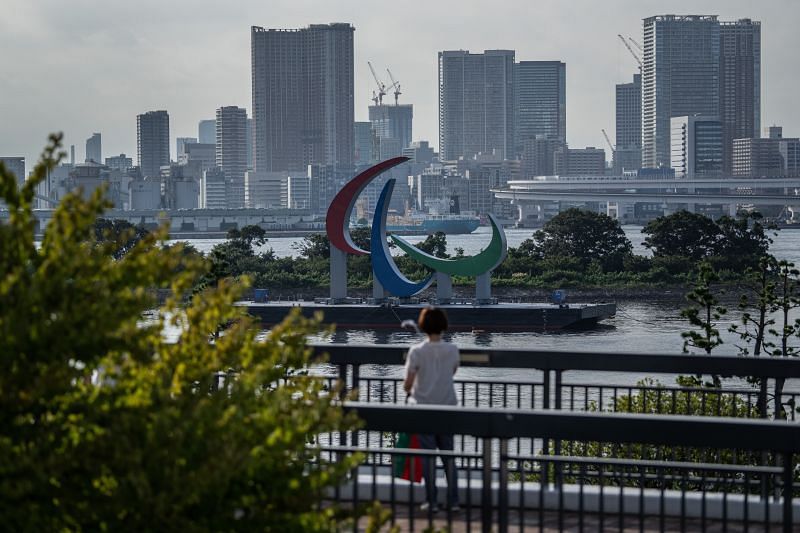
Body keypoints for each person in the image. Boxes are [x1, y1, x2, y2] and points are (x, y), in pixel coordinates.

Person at [403, 306, 460, 512]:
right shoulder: (452, 350)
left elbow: (408, 385)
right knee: (448, 455)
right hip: (447, 408)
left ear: (423, 325)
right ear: (444, 326)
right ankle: (454, 501)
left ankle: (432, 501)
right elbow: (452, 372)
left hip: (424, 410)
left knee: (428, 456)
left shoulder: (416, 351)